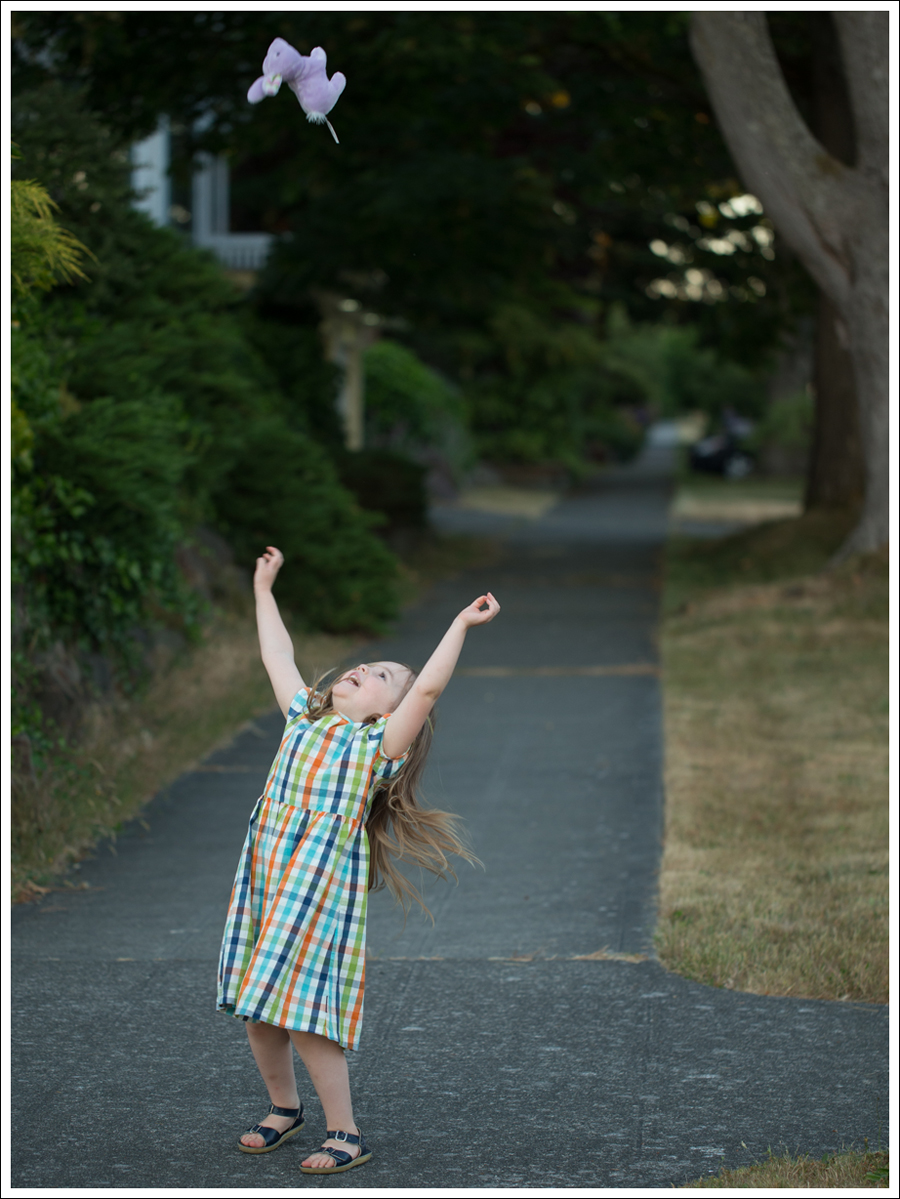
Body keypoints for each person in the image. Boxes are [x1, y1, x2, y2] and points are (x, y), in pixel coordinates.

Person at [217, 545, 500, 1174]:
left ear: (389, 710)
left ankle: (345, 1132)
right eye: (366, 664)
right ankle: (284, 1108)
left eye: (381, 677)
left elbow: (428, 687)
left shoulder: (378, 745)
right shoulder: (302, 718)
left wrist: (460, 623)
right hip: (267, 877)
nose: (363, 668)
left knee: (304, 1014)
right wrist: (263, 591)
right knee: (256, 1007)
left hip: (316, 888)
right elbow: (277, 655)